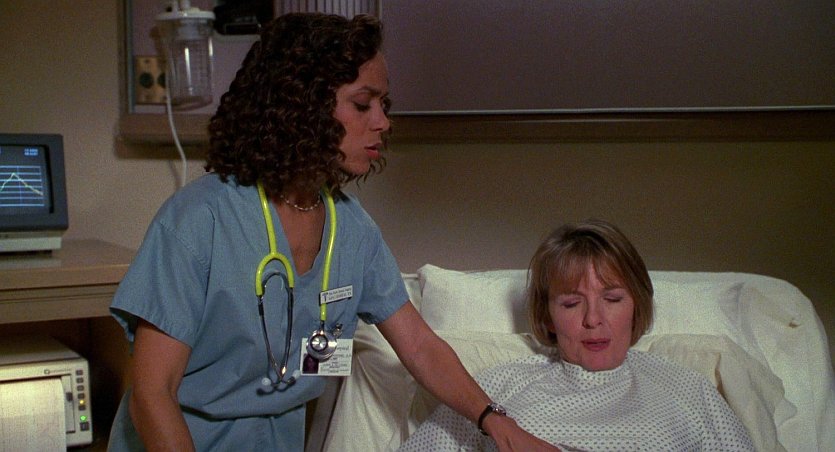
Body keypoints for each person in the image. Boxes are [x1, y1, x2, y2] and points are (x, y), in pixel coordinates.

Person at [107, 12, 555, 451]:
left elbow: (420, 346)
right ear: (302, 106)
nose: (383, 122)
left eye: (383, 105)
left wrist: (495, 421)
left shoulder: (352, 230)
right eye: (362, 104)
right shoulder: (200, 219)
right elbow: (153, 392)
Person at [399, 220, 756, 451]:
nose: (593, 319)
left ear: (636, 306)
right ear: (548, 316)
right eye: (571, 304)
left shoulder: (688, 391)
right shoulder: (492, 393)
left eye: (612, 300)